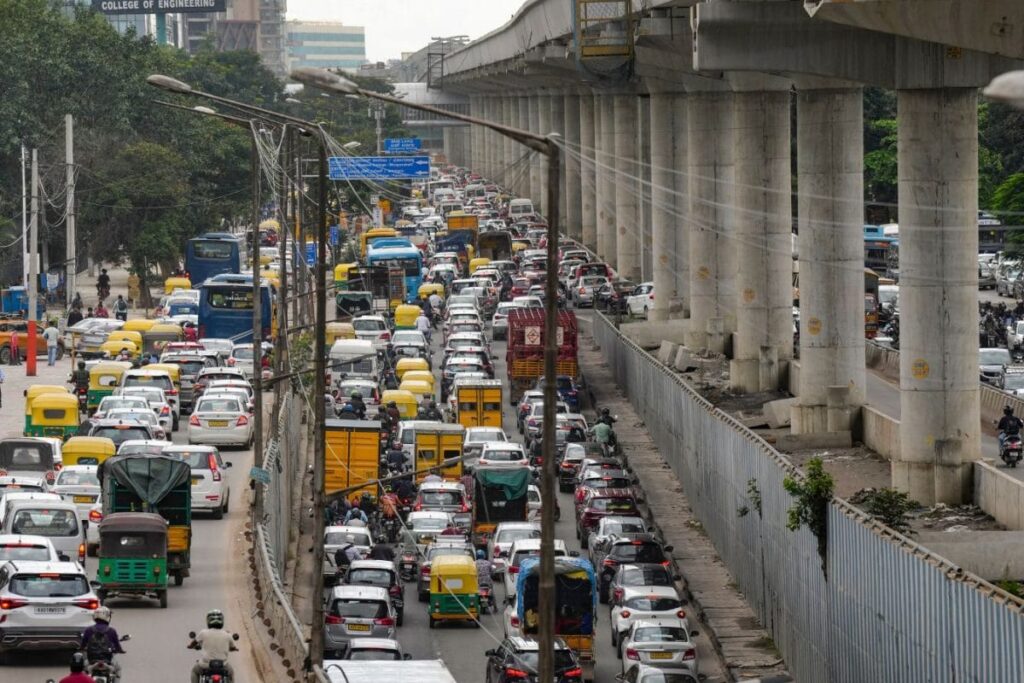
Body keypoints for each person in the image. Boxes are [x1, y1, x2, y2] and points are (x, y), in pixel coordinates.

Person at [190, 609, 236, 683]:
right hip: (223, 666)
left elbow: (193, 643)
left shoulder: (203, 633)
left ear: (208, 621)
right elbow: (233, 647)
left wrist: (190, 646)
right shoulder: (227, 634)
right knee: (231, 673)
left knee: (194, 671)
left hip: (205, 665)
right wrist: (234, 649)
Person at [80, 606, 125, 679]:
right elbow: (117, 646)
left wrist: (81, 648)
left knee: (83, 669)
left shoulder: (88, 630)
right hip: (107, 660)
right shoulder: (111, 631)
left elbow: (83, 645)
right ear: (107, 617)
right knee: (118, 668)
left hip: (91, 660)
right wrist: (121, 651)